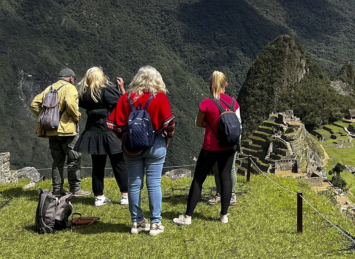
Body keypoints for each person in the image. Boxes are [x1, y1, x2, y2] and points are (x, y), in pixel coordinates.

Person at [108, 66, 175, 236]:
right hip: (156, 145)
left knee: (134, 184)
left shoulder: (125, 98)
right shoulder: (160, 97)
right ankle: (155, 223)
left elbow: (113, 125)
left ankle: (136, 222)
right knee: (153, 184)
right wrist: (167, 138)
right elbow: (169, 123)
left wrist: (124, 138)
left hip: (131, 148)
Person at [174, 71, 240, 226]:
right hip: (230, 146)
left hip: (211, 147)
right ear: (225, 84)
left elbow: (198, 122)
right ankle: (224, 215)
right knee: (226, 178)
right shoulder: (233, 102)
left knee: (198, 179)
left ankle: (188, 216)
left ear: (211, 85)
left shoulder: (206, 103)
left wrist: (209, 123)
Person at [74, 67, 129, 206]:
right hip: (109, 131)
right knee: (119, 163)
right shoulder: (106, 91)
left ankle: (99, 196)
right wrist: (121, 87)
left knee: (98, 165)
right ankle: (125, 195)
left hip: (92, 132)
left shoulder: (84, 94)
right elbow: (124, 103)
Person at [30, 68, 90, 197]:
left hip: (51, 129)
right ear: (71, 78)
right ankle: (75, 189)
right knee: (74, 158)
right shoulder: (70, 88)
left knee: (57, 161)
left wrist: (45, 116)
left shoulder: (50, 88)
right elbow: (70, 103)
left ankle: (57, 190)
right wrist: (76, 116)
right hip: (67, 130)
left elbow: (34, 104)